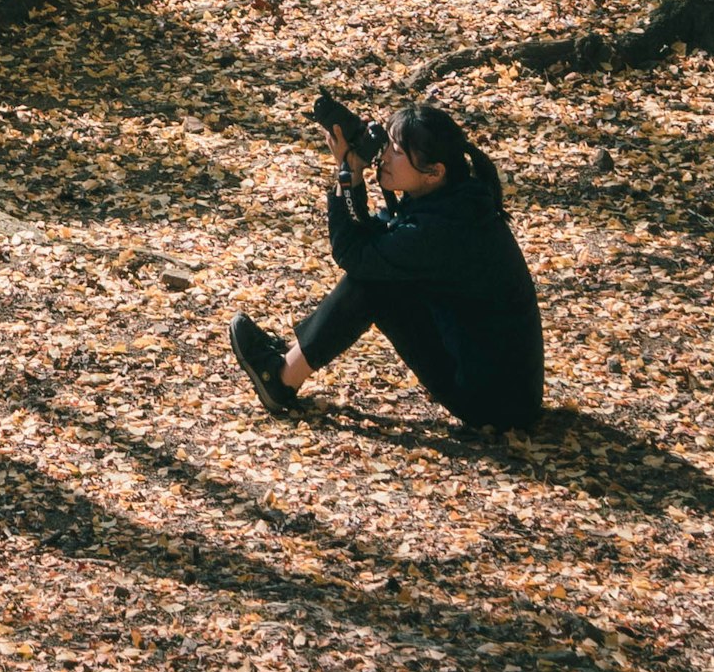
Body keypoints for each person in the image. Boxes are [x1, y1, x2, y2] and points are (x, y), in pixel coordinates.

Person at [229, 100, 545, 438]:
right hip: (509, 392)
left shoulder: (443, 229)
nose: (383, 157)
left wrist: (347, 177)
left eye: (395, 151)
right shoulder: (454, 201)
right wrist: (350, 174)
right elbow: (374, 240)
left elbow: (356, 255)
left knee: (373, 284)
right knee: (379, 271)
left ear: (434, 171)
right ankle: (291, 360)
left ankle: (280, 379)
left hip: (493, 404)